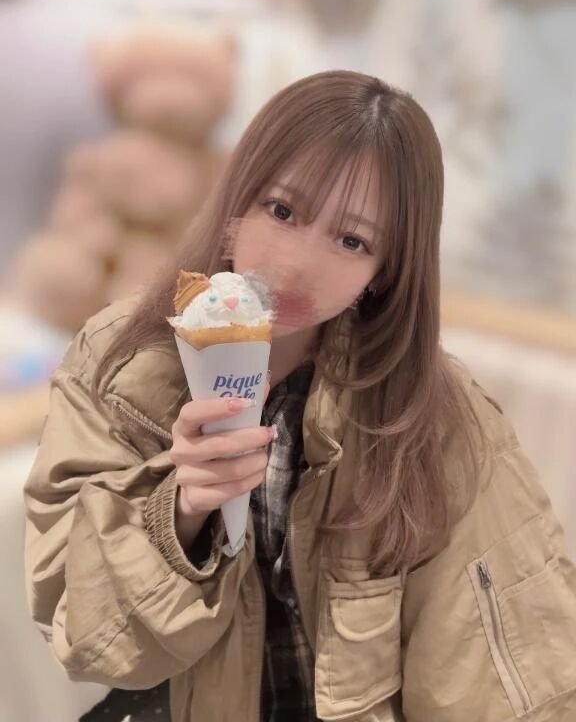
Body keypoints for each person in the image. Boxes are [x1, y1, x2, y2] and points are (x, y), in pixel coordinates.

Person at [24, 71, 576, 721]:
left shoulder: (437, 418)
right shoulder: (119, 365)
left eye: (352, 240)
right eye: (282, 211)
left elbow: (495, 676)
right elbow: (88, 641)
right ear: (234, 209)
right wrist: (180, 512)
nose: (296, 264)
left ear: (384, 271)